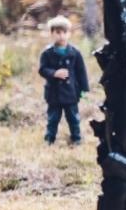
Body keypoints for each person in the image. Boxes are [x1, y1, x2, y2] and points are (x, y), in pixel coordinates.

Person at [38, 15, 90, 146]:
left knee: (73, 118)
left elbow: (81, 72)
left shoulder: (75, 53)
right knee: (53, 118)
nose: (61, 36)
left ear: (69, 34)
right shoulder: (47, 53)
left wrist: (84, 89)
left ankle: (76, 139)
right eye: (58, 32)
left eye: (64, 32)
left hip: (71, 93)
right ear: (52, 33)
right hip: (53, 93)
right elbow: (42, 69)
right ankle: (49, 140)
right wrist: (54, 73)